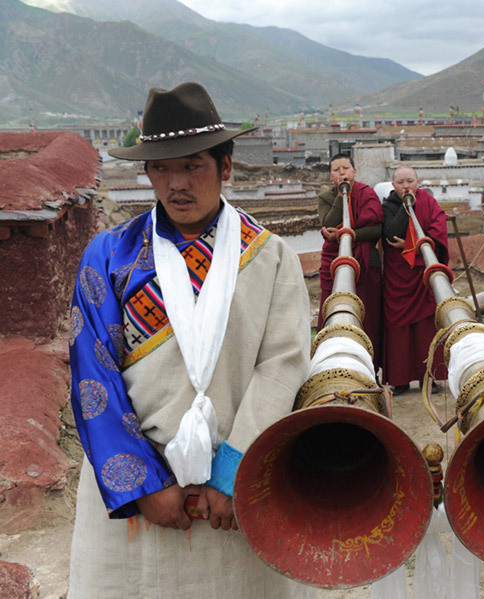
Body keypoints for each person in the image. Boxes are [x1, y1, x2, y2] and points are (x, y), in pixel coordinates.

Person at [67, 82, 312, 597]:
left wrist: (235, 473)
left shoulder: (269, 258)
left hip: (235, 497)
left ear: (225, 168)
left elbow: (282, 365)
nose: (176, 183)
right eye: (161, 167)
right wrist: (144, 485)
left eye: (193, 165)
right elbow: (94, 374)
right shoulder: (109, 257)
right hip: (142, 502)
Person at [381, 166, 449, 394]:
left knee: (425, 327)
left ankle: (428, 378)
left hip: (421, 274)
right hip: (398, 275)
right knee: (398, 328)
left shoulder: (428, 202)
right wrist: (405, 205)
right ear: (394, 186)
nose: (406, 186)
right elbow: (391, 234)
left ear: (418, 182)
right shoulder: (389, 205)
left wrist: (411, 246)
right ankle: (399, 379)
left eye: (410, 181)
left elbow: (438, 229)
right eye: (400, 182)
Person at [318, 153, 384, 371]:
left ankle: (369, 368)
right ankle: (333, 365)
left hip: (365, 262)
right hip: (334, 260)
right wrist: (341, 195)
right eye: (336, 170)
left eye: (345, 168)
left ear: (354, 171)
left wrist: (351, 233)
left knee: (369, 316)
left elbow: (377, 229)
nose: (342, 173)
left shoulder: (367, 194)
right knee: (334, 310)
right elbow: (327, 222)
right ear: (331, 175)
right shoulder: (326, 196)